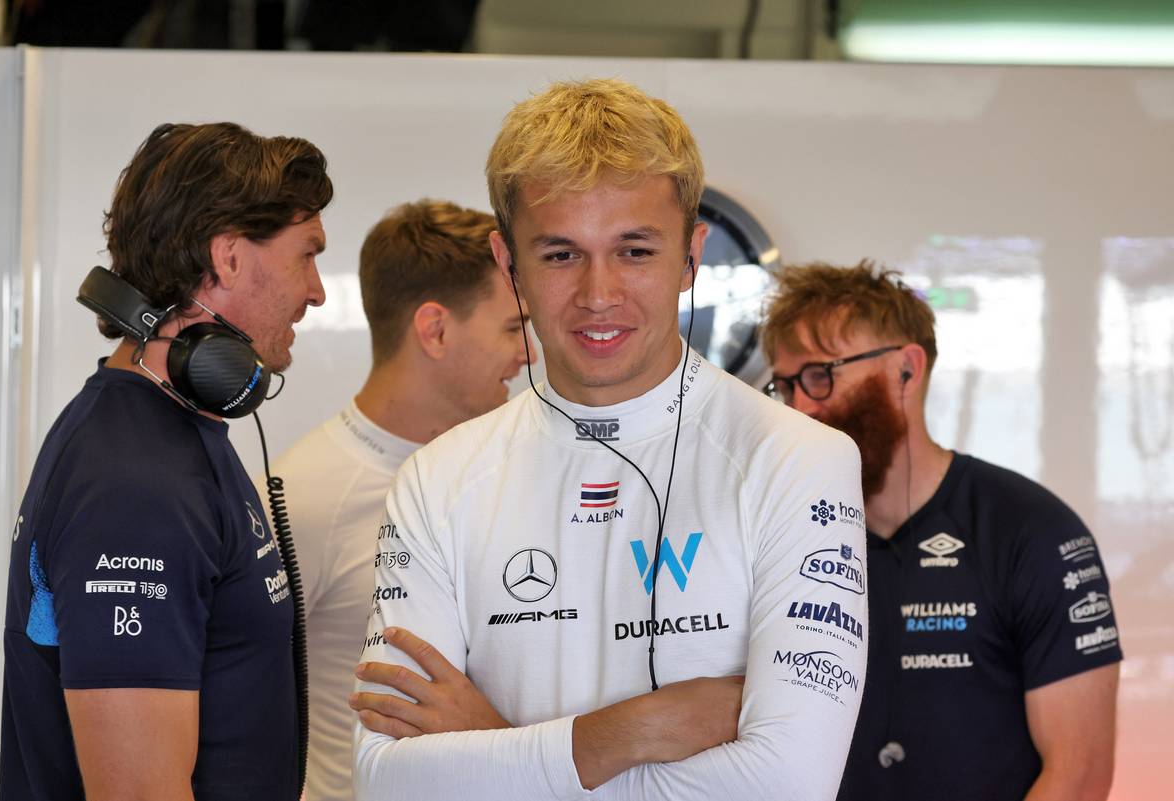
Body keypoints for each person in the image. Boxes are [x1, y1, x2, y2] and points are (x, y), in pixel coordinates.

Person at [347, 78, 867, 800]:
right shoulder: (437, 480)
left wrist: (493, 746)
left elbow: (788, 783)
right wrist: (628, 731)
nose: (599, 296)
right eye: (561, 255)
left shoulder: (798, 459)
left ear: (691, 256)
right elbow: (387, 782)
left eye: (635, 251)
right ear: (509, 264)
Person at [0, 122, 332, 801]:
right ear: (229, 257)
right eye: (306, 256)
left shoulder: (168, 433)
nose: (318, 290)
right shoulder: (136, 485)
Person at [761, 260, 1122, 801]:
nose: (801, 407)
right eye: (786, 386)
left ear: (906, 370)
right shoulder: (779, 534)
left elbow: (1080, 775)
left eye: (820, 376)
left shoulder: (1031, 531)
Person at [271, 199, 535, 801]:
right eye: (513, 327)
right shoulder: (303, 496)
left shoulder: (512, 473)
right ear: (435, 330)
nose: (531, 354)